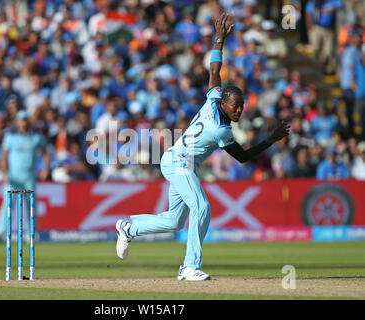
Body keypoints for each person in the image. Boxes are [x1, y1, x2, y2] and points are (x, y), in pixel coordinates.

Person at [115, 13, 290, 281]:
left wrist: (219, 41)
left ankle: (129, 228)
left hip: (179, 162)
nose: (239, 111)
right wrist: (270, 139)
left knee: (174, 221)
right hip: (178, 162)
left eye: (242, 107)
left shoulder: (214, 98)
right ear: (224, 104)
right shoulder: (220, 130)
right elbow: (242, 157)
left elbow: (213, 71)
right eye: (236, 107)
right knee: (202, 207)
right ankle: (189, 267)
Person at [0, 110, 50, 240]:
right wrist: (4, 172)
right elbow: (3, 157)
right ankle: (0, 232)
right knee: (8, 204)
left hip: (29, 177)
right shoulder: (10, 138)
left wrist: (45, 169)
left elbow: (45, 153)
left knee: (30, 205)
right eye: (20, 120)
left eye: (25, 120)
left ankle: (31, 234)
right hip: (13, 177)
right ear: (17, 122)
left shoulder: (36, 138)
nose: (23, 123)